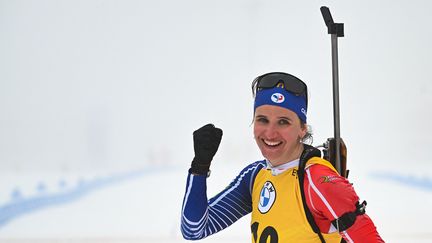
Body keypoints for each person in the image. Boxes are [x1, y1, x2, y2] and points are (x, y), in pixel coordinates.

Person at [180, 72, 384, 242]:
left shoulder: (316, 180)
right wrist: (199, 167)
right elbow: (194, 229)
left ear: (302, 128)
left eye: (283, 122)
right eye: (262, 120)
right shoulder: (255, 176)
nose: (270, 133)